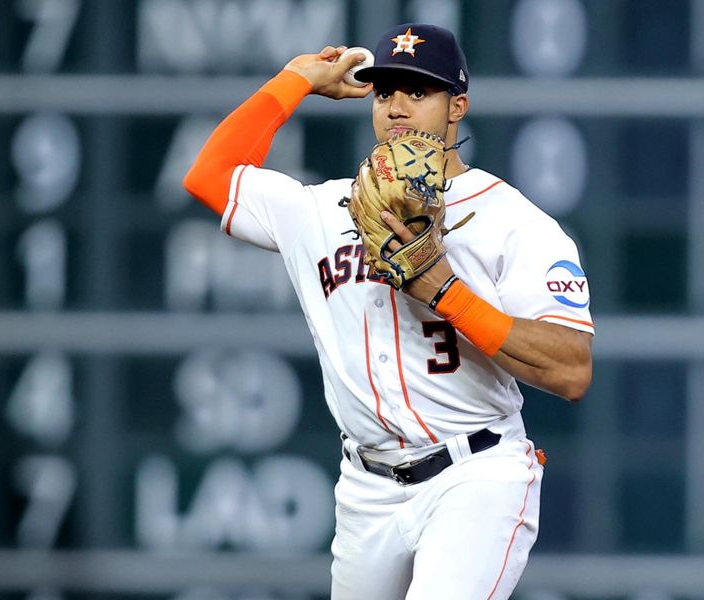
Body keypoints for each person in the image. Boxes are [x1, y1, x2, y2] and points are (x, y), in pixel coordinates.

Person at [184, 22, 593, 600]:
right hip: (366, 489)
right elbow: (210, 176)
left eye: (418, 92)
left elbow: (572, 369)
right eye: (384, 92)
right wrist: (296, 79)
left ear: (458, 107)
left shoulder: (513, 221)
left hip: (475, 473)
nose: (397, 107)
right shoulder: (322, 209)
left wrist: (442, 289)